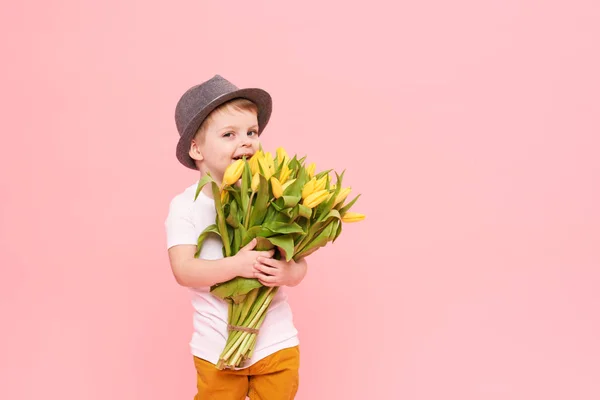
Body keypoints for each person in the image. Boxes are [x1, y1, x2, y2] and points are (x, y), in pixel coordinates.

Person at [165, 74, 307, 399]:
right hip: (217, 347)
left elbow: (300, 264)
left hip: (275, 342)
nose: (246, 141)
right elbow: (183, 270)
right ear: (196, 148)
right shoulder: (186, 206)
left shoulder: (270, 195)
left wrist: (288, 273)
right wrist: (237, 265)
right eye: (229, 134)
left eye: (251, 132)